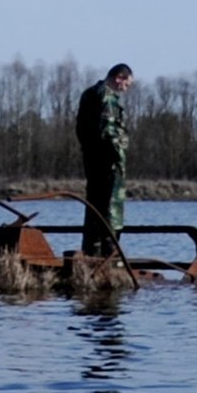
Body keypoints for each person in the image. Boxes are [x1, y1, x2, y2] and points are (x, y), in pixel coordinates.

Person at [73, 64, 134, 258]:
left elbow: (80, 129)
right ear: (119, 78)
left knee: (94, 206)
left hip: (91, 160)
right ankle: (109, 253)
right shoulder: (107, 96)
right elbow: (108, 131)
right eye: (127, 84)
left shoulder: (89, 93)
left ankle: (92, 252)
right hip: (108, 162)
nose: (126, 89)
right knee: (110, 207)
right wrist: (118, 155)